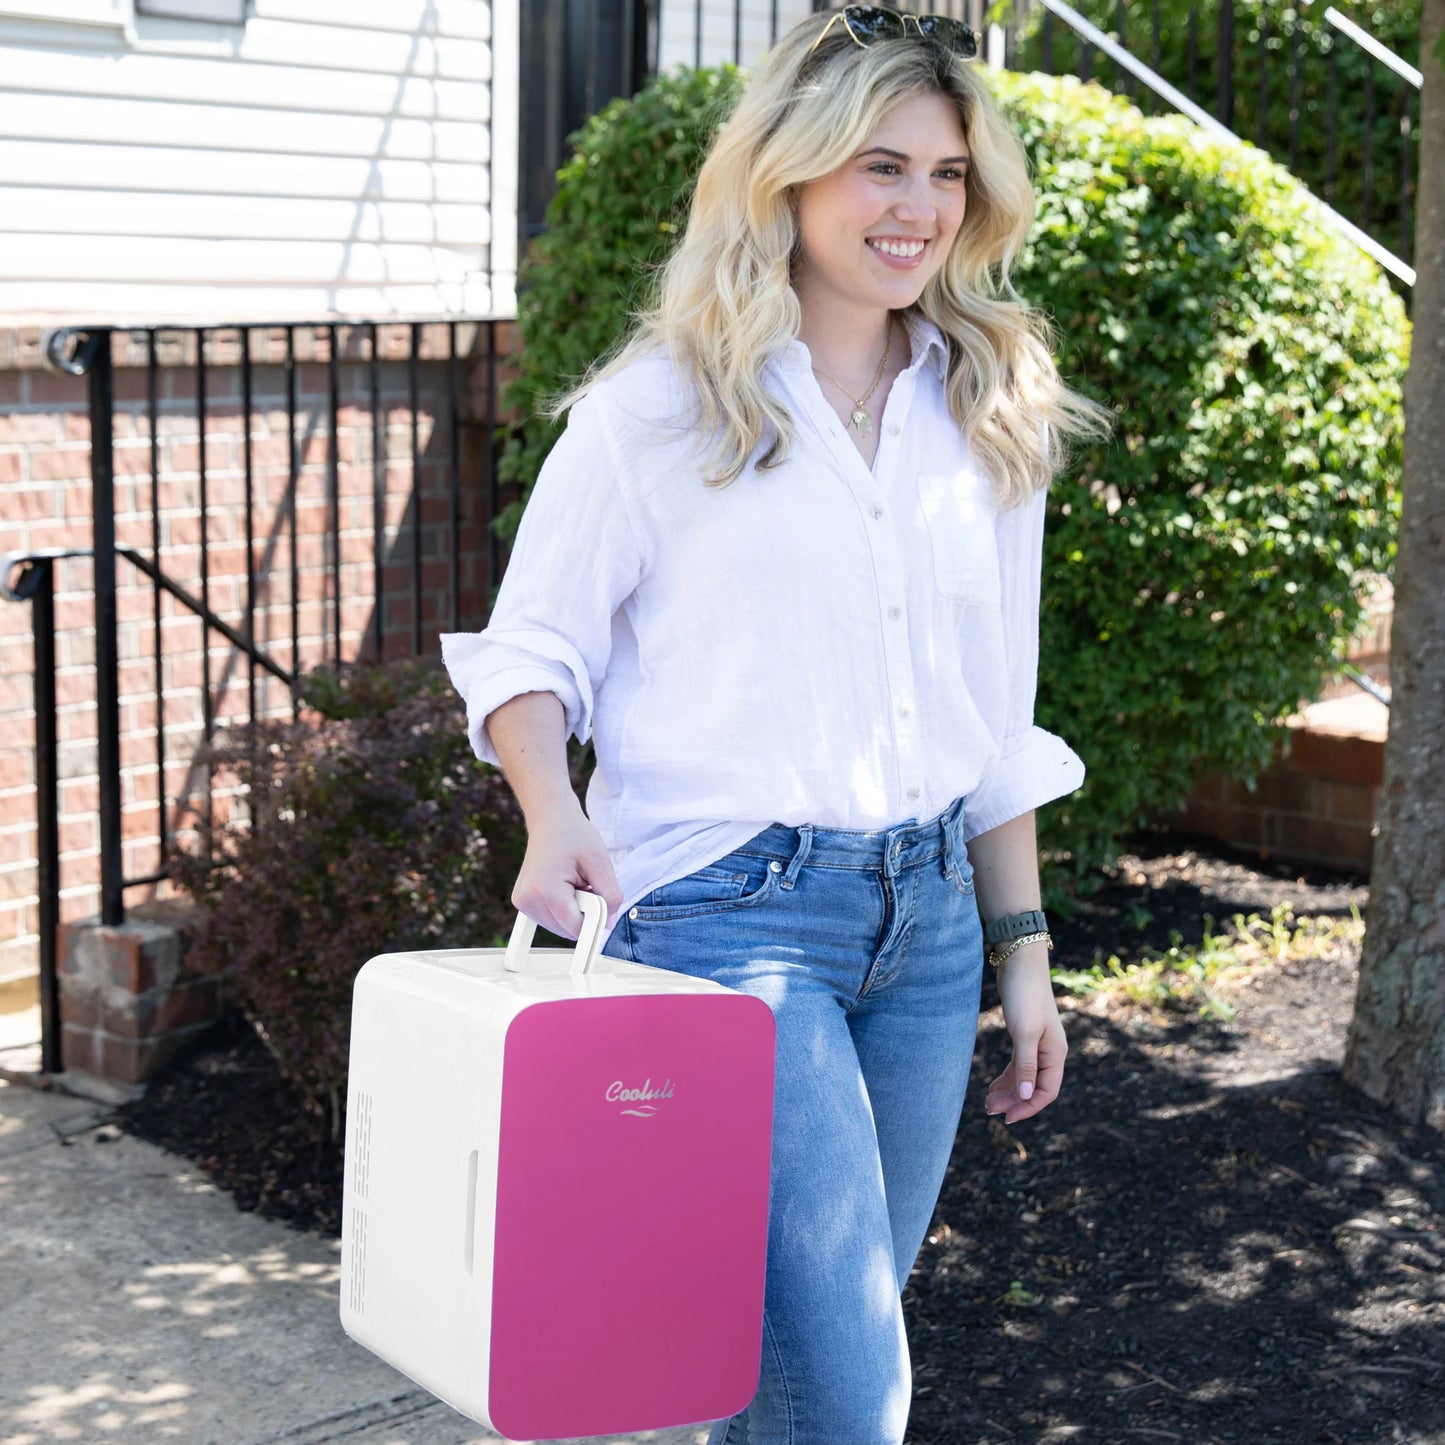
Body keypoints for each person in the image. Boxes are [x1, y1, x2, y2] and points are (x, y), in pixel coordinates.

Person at [441, 6, 1115, 1441]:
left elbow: (993, 717)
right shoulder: (656, 411)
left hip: (929, 929)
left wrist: (1023, 953)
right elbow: (529, 650)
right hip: (730, 926)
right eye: (881, 166)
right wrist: (553, 813)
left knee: (796, 1373)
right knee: (849, 1387)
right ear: (789, 175)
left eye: (947, 175)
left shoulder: (989, 407)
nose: (919, 207)